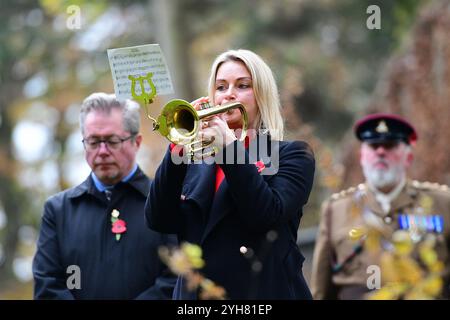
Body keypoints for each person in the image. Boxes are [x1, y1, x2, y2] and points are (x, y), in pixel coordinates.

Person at [145, 49, 316, 299]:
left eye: (243, 85)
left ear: (261, 95)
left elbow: (264, 215)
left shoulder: (292, 155)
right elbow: (158, 219)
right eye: (221, 87)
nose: (229, 95)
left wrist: (229, 148)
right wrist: (176, 149)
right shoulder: (195, 160)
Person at [32, 92, 177, 299]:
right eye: (93, 142)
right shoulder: (58, 210)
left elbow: (177, 279)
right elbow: (48, 286)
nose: (102, 151)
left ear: (137, 142)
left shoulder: (166, 202)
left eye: (112, 141)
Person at [311, 113, 450, 299]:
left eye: (390, 145)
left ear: (408, 157)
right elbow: (321, 290)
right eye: (374, 146)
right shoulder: (336, 210)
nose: (381, 152)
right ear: (362, 157)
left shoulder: (441, 203)